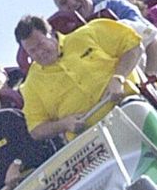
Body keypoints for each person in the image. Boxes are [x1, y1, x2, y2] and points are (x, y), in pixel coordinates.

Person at [14, 14, 143, 141]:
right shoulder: (32, 83)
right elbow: (36, 129)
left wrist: (118, 78)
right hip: (89, 138)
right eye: (32, 51)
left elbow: (134, 45)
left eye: (41, 44)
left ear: (51, 34)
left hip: (128, 107)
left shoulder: (88, 34)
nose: (39, 52)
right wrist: (63, 124)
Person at [52, 0, 157, 77]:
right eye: (63, 2)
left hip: (141, 57)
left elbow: (142, 29)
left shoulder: (112, 4)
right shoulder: (69, 35)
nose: (71, 3)